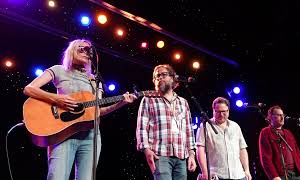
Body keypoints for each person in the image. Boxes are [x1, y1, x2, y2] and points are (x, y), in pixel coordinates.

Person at [23, 39, 137, 180]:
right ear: (71, 51)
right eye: (81, 48)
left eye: (88, 50)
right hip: (62, 134)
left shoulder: (95, 80)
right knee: (56, 177)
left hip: (91, 137)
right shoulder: (59, 70)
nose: (86, 51)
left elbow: (96, 111)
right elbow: (29, 89)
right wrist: (56, 98)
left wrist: (121, 103)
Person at [136, 64, 197, 180]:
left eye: (163, 75)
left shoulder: (183, 102)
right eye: (156, 76)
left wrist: (192, 155)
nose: (159, 78)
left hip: (181, 155)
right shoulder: (148, 99)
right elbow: (142, 127)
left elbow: (189, 129)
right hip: (160, 154)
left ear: (173, 78)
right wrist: (146, 149)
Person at [196, 97, 252, 180]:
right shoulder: (205, 126)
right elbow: (200, 149)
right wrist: (204, 172)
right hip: (217, 175)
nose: (221, 114)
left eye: (223, 111)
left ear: (228, 111)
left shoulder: (235, 126)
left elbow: (242, 149)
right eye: (217, 111)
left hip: (238, 175)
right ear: (213, 111)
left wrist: (247, 170)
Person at [259, 105, 300, 180]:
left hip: (296, 174)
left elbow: (298, 154)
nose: (282, 117)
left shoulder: (288, 133)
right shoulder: (266, 132)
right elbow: (265, 158)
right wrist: (274, 176)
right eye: (279, 115)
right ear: (270, 117)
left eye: (283, 115)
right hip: (281, 175)